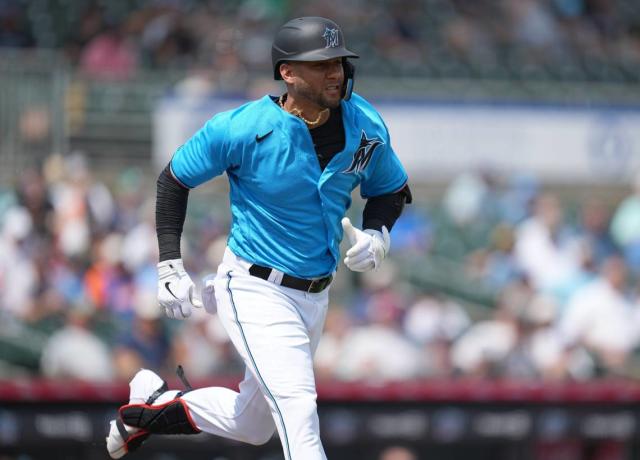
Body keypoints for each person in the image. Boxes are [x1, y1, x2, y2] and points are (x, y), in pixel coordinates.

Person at [106, 16, 411, 460]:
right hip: (254, 286)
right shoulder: (240, 127)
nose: (336, 73)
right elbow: (173, 180)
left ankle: (146, 412)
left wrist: (377, 234)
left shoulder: (365, 122)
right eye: (322, 64)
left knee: (251, 425)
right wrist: (170, 263)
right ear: (288, 72)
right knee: (298, 410)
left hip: (315, 295)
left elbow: (390, 190)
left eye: (340, 63)